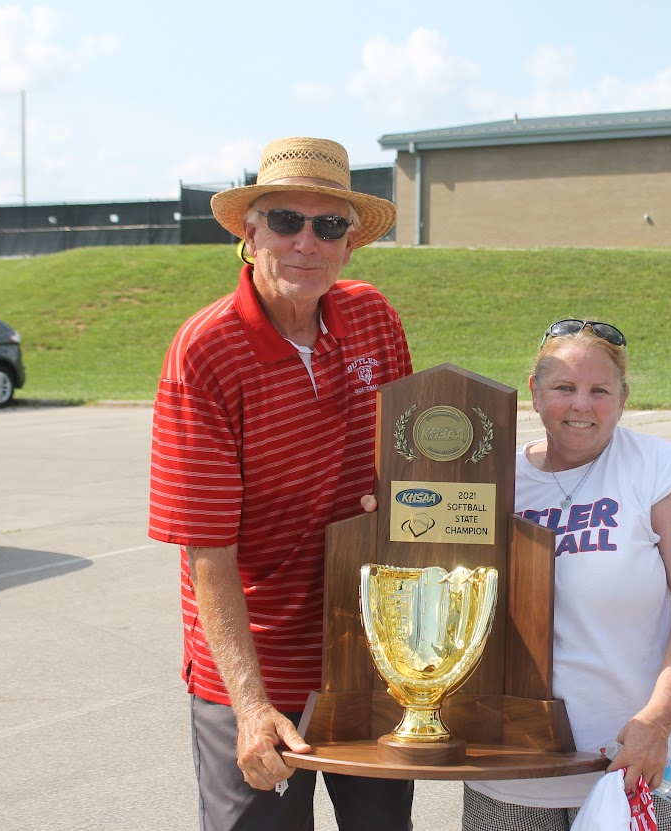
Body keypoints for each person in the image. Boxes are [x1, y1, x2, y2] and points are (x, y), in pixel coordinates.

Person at [148, 136, 415, 831]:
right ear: (250, 229)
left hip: (367, 657)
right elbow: (207, 552)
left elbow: (412, 465)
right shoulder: (204, 350)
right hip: (255, 668)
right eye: (286, 221)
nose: (306, 242)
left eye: (328, 225)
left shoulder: (374, 318)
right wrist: (250, 705)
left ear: (349, 243)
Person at [462, 318, 671, 831]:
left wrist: (657, 720)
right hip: (509, 769)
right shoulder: (491, 481)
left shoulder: (659, 471)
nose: (581, 405)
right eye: (564, 388)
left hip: (634, 764)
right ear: (534, 395)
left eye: (599, 390)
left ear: (623, 399)